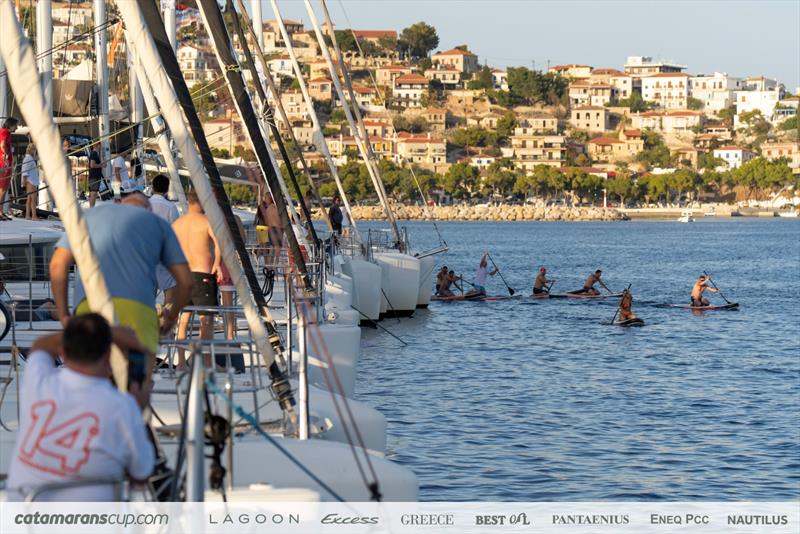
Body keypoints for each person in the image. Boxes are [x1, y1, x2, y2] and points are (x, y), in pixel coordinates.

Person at [6, 315, 155, 501]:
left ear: (63, 352)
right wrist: (138, 408)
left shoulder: (38, 382)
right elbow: (141, 474)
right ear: (108, 355)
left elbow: (41, 346)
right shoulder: (122, 407)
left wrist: (106, 334)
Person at [50, 192, 193, 359]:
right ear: (148, 209)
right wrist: (172, 315)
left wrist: (64, 315)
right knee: (137, 381)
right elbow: (187, 283)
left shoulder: (88, 216)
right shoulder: (157, 224)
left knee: (90, 376)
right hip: (138, 312)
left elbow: (57, 264)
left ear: (120, 203)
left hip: (90, 309)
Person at [172, 190, 221, 370]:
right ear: (201, 202)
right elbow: (219, 243)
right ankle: (206, 362)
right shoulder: (206, 221)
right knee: (205, 321)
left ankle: (181, 362)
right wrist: (217, 263)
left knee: (183, 321)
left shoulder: (177, 224)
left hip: (182, 274)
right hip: (203, 275)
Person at [149, 174, 182, 307]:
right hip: (164, 253)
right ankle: (165, 322)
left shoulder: (145, 204)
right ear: (167, 189)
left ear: (152, 187)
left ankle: (148, 321)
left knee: (148, 293)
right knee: (170, 292)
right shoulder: (170, 207)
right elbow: (176, 231)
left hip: (146, 254)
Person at [0, 117, 19, 220]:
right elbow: (2, 145)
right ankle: (0, 212)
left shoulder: (7, 133)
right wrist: (6, 155)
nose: (17, 127)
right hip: (4, 164)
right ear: (10, 125)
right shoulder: (5, 133)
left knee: (3, 190)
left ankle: (1, 211)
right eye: (15, 125)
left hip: (5, 164)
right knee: (2, 189)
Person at [20, 144, 40, 220]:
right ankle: (34, 216)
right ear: (32, 150)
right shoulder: (28, 159)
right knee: (33, 199)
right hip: (31, 181)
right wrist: (24, 184)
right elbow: (25, 172)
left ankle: (28, 215)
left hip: (30, 181)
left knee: (29, 199)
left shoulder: (29, 158)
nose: (35, 151)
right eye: (34, 150)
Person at [86, 140, 103, 207]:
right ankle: (92, 208)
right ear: (98, 145)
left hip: (95, 176)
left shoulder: (95, 154)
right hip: (94, 176)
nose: (101, 147)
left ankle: (92, 207)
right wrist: (101, 165)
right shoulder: (94, 153)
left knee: (94, 193)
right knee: (93, 193)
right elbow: (92, 165)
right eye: (100, 145)